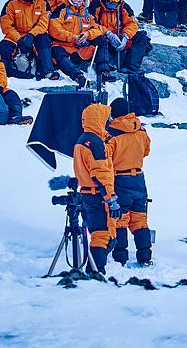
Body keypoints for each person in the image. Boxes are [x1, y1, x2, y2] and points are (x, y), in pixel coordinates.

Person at [73, 102, 122, 275]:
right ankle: (96, 272)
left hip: (87, 193)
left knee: (97, 233)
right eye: (106, 118)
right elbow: (101, 173)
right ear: (99, 119)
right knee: (102, 235)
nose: (108, 121)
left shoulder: (83, 139)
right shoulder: (95, 143)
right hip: (97, 195)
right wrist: (110, 198)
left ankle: (94, 269)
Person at [105, 98, 152, 266]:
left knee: (120, 219)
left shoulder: (112, 134)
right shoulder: (141, 130)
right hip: (139, 179)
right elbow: (146, 151)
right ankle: (145, 257)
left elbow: (106, 158)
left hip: (120, 180)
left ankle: (120, 259)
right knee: (140, 219)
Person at [48, 0, 104, 87]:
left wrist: (88, 34)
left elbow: (98, 29)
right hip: (64, 47)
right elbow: (54, 29)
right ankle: (77, 75)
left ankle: (103, 72)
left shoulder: (88, 12)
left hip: (81, 49)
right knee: (57, 52)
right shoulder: (62, 9)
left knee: (101, 41)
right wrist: (73, 37)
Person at [89, 0, 150, 82]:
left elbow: (132, 23)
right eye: (110, 0)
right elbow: (92, 23)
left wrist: (126, 36)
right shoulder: (95, 5)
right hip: (105, 39)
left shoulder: (124, 7)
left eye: (116, 0)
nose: (113, 3)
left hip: (121, 38)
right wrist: (108, 34)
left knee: (141, 36)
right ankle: (108, 64)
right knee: (98, 39)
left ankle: (130, 67)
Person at [0, 0, 55, 80]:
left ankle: (48, 72)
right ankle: (3, 72)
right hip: (16, 35)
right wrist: (18, 39)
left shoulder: (42, 2)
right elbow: (6, 26)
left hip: (35, 34)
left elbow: (44, 23)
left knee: (44, 39)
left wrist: (31, 35)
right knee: (4, 46)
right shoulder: (11, 4)